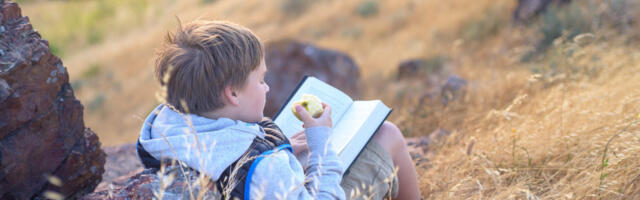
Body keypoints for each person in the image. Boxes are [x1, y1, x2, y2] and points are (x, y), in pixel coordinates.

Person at [137, 19, 420, 199]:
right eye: (260, 80)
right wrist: (320, 144)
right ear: (233, 93)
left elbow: (229, 145)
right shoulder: (267, 168)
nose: (267, 88)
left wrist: (280, 144)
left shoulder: (166, 125)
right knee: (388, 134)